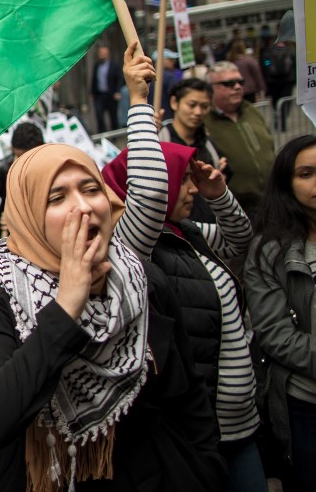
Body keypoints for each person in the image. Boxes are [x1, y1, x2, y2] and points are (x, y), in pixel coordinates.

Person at [0, 41, 224, 492]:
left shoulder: (139, 276)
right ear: (28, 216)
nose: (83, 208)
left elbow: (189, 395)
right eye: (57, 198)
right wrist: (68, 303)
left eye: (90, 189)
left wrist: (205, 468)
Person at [102, 142, 264, 490]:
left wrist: (219, 195)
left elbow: (240, 240)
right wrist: (140, 102)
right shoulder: (135, 249)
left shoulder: (187, 232)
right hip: (200, 430)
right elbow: (147, 199)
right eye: (184, 178)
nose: (193, 188)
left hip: (241, 424)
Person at [245, 135, 316, 490]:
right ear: (287, 182)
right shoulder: (270, 249)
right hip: (306, 404)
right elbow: (274, 334)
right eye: (306, 173)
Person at [205, 62, 275, 224]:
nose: (237, 87)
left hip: (271, 200)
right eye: (228, 84)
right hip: (237, 209)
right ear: (211, 88)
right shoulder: (204, 122)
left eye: (240, 82)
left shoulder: (251, 111)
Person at [159, 78, 231, 222]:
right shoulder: (161, 142)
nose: (198, 112)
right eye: (192, 105)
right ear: (174, 103)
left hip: (210, 225)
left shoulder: (208, 144)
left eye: (204, 106)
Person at [91, 45, 121, 133]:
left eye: (104, 53)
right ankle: (102, 134)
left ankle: (115, 134)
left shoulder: (114, 65)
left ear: (107, 54)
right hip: (99, 95)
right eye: (100, 53)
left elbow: (119, 79)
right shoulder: (97, 65)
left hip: (111, 94)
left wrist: (117, 91)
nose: (102, 55)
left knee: (113, 116)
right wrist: (92, 93)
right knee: (99, 115)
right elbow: (94, 79)